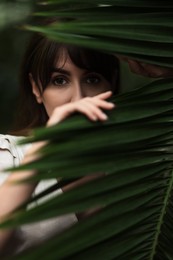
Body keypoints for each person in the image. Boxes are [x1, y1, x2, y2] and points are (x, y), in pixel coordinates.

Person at [0, 24, 120, 256]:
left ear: (111, 84)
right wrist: (42, 150)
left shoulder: (145, 166)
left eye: (92, 79)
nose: (78, 97)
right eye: (59, 81)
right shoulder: (7, 155)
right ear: (36, 87)